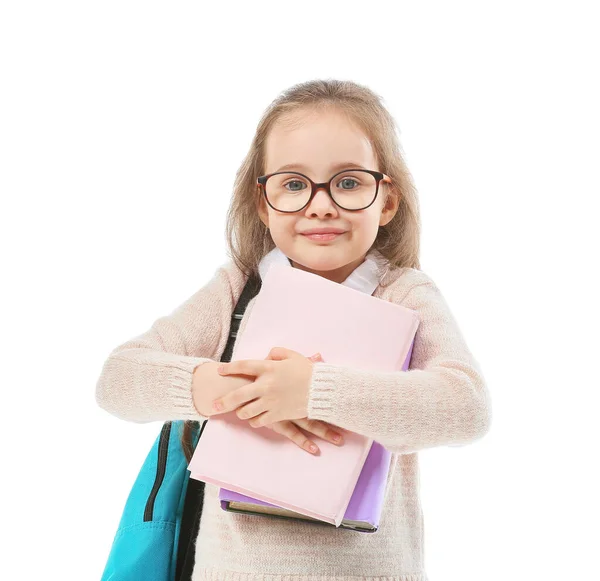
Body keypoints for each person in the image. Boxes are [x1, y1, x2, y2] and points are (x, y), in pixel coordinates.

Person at [95, 78, 492, 581]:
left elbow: (467, 407)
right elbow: (118, 380)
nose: (320, 204)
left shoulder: (404, 294)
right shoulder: (238, 290)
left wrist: (313, 392)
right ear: (263, 202)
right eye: (294, 183)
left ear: (386, 201)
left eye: (348, 182)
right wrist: (236, 390)